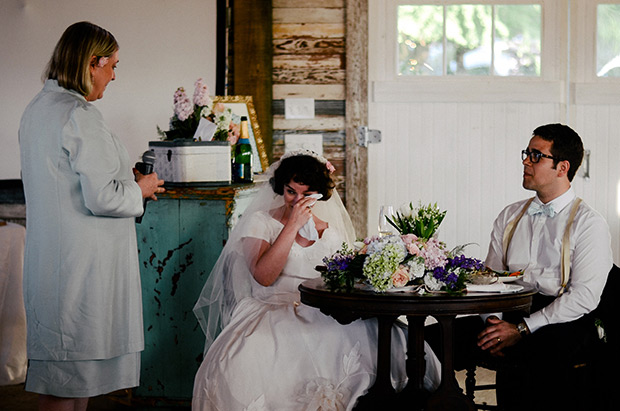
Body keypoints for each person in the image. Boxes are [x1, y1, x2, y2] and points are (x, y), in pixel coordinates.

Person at [192, 150, 441, 411]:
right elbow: (264, 277)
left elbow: (342, 279)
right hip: (273, 309)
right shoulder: (261, 222)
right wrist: (292, 225)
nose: (297, 201)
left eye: (306, 195)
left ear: (319, 194)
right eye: (291, 192)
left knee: (391, 338)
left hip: (325, 309)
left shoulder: (329, 232)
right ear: (281, 188)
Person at [19, 21, 164, 411]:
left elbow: (70, 180)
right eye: (113, 65)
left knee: (70, 381)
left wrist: (125, 180)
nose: (114, 75)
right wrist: (142, 189)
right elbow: (102, 198)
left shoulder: (39, 108)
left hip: (57, 262)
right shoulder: (78, 114)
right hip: (82, 269)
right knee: (68, 385)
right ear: (92, 63)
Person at [474, 124, 613, 410]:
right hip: (509, 313)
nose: (526, 161)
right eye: (527, 153)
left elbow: (584, 297)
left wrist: (522, 329)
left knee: (541, 355)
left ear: (562, 167)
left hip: (564, 319)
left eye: (536, 155)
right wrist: (494, 324)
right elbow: (488, 280)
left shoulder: (589, 224)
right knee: (434, 341)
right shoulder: (510, 215)